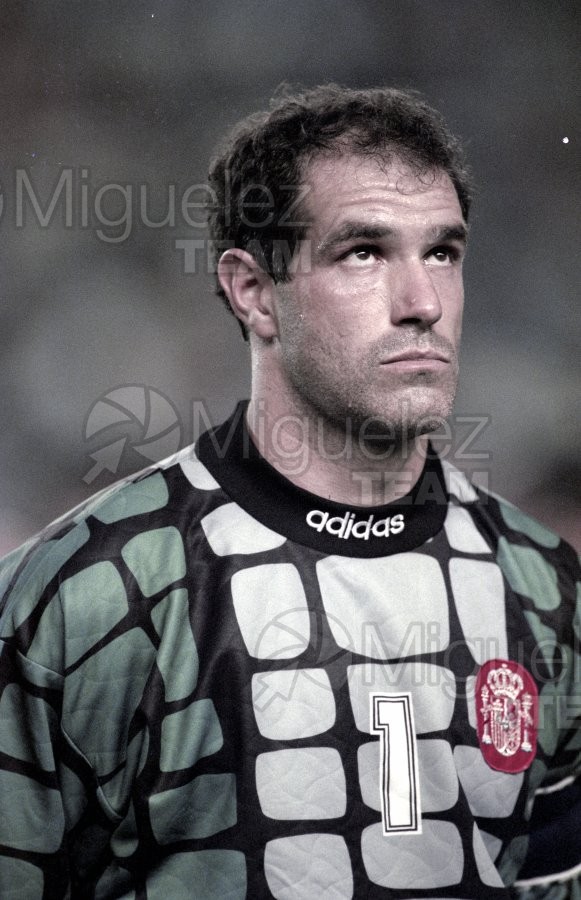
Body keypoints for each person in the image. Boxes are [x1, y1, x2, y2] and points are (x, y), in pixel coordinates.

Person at [0, 85, 579, 899]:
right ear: (251, 291)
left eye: (441, 252)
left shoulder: (547, 589)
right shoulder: (88, 595)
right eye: (363, 253)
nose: (422, 305)